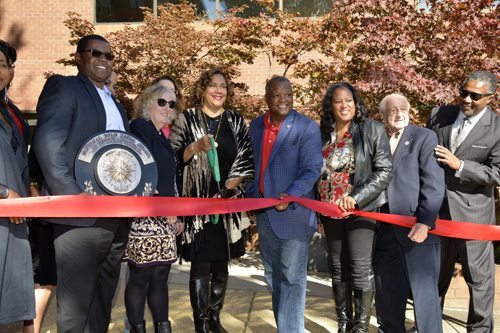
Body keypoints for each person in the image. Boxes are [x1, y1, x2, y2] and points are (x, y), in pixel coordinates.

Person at [31, 34, 130, 333]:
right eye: (95, 53)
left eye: (109, 56)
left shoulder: (115, 102)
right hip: (78, 217)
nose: (103, 60)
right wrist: (73, 198)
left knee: (102, 302)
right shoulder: (66, 87)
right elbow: (48, 145)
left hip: (117, 216)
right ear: (79, 57)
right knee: (75, 309)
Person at [169, 68, 253, 333]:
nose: (219, 90)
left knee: (221, 261)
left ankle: (214, 318)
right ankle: (201, 324)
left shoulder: (236, 120)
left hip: (227, 205)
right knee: (201, 262)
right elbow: (173, 158)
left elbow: (245, 159)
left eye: (223, 86)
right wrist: (195, 147)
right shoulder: (187, 118)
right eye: (213, 85)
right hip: (197, 208)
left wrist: (226, 193)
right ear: (203, 89)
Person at [246, 76, 323, 333]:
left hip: (294, 213)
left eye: (288, 94)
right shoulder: (256, 126)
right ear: (267, 98)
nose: (284, 100)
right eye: (277, 95)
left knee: (292, 278)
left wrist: (289, 195)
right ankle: (289, 328)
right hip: (266, 214)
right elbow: (251, 166)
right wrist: (251, 197)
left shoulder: (307, 128)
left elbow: (311, 169)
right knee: (273, 276)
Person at [427, 70, 499, 332]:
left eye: (475, 96)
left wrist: (461, 166)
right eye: (463, 92)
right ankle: (429, 324)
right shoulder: (439, 115)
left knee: (479, 282)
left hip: (474, 217)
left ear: (490, 98)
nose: (466, 99)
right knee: (435, 277)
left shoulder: (498, 128)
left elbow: (498, 173)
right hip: (436, 213)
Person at [317, 82, 392, 333]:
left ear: (356, 102)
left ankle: (359, 327)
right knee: (338, 269)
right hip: (330, 213)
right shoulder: (323, 133)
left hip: (361, 210)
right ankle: (343, 323)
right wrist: (318, 211)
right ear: (331, 105)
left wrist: (356, 197)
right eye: (338, 101)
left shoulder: (371, 129)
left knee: (360, 269)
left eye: (348, 100)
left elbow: (384, 171)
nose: (344, 105)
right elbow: (317, 175)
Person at [374, 93, 444, 333]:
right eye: (392, 110)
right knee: (387, 294)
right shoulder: (378, 139)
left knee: (425, 298)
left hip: (416, 229)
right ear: (382, 116)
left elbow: (433, 184)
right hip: (382, 231)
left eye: (403, 108)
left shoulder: (424, 137)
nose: (399, 113)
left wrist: (425, 222)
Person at [122, 83, 183, 333]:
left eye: (172, 104)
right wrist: (165, 209)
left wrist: (177, 213)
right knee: (140, 277)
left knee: (161, 277)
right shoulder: (140, 127)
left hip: (166, 219)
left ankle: (163, 327)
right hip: (145, 216)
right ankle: (138, 328)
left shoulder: (162, 136)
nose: (167, 108)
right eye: (162, 102)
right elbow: (142, 171)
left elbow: (170, 179)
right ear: (148, 102)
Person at [0, 39, 36, 326]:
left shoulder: (10, 111)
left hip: (13, 223)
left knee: (11, 310)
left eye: (3, 65)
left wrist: (30, 188)